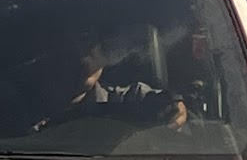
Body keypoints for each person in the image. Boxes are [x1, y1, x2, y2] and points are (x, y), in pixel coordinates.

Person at [0, 30, 187, 137]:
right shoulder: (8, 108)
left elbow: (170, 107)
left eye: (90, 41)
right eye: (67, 44)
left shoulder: (129, 101)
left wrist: (176, 110)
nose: (83, 52)